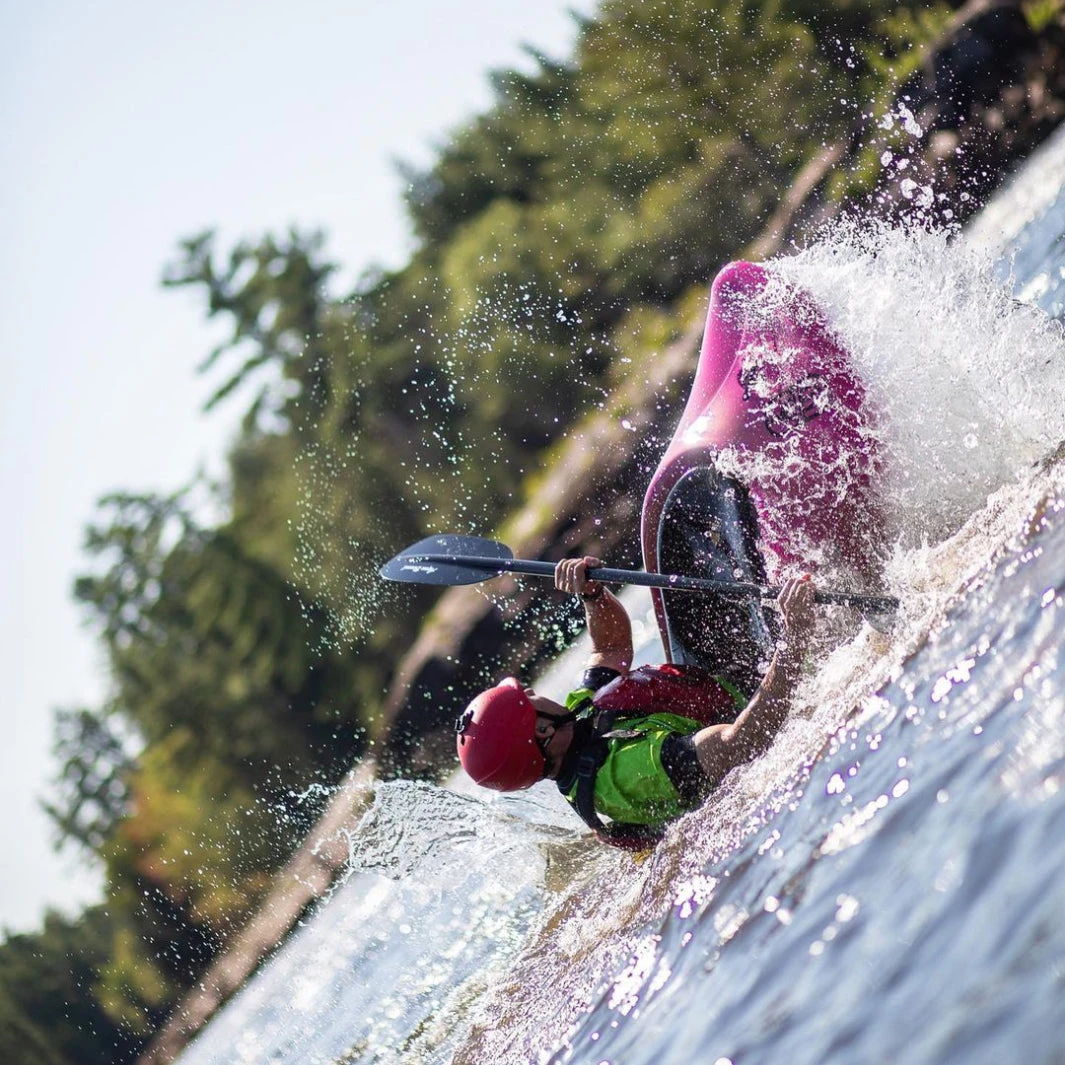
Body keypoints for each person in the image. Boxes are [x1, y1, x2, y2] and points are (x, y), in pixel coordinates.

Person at [455, 556, 818, 847]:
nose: (534, 692)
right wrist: (794, 643)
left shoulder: (580, 721)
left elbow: (609, 647)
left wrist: (593, 596)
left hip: (732, 697)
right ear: (543, 732)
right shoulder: (628, 772)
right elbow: (741, 745)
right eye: (528, 700)